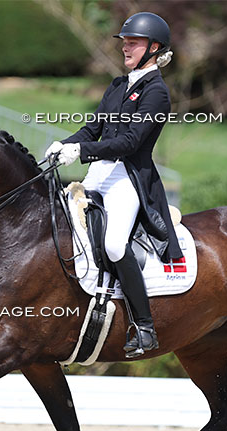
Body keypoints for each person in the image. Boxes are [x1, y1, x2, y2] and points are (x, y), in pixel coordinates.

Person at [45, 11, 182, 358]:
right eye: (124, 41)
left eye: (133, 42)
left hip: (129, 179)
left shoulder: (157, 93)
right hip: (100, 173)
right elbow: (93, 129)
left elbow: (131, 142)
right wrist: (66, 144)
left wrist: (83, 150)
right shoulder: (119, 86)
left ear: (154, 48)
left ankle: (145, 326)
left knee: (115, 246)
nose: (125, 47)